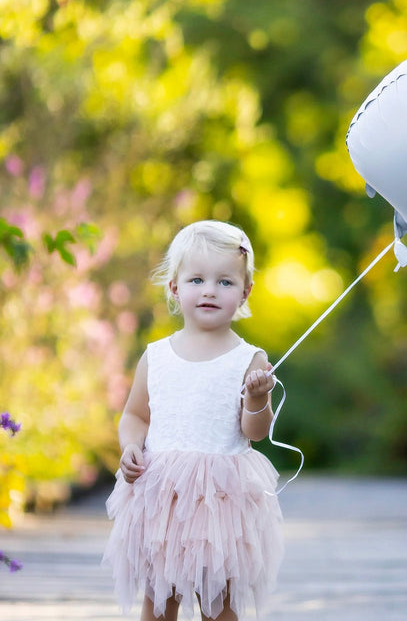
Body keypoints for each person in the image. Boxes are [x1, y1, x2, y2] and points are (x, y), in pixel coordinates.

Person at [103, 220, 284, 621]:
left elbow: (255, 432)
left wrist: (257, 397)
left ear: (244, 292)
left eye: (224, 282)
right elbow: (135, 414)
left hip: (222, 502)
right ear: (174, 288)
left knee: (218, 603)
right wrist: (131, 446)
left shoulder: (249, 359)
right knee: (158, 600)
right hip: (162, 496)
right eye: (197, 279)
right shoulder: (157, 356)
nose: (209, 290)